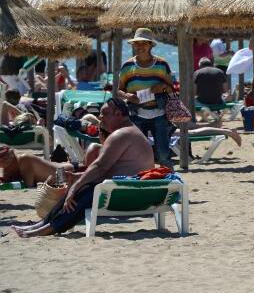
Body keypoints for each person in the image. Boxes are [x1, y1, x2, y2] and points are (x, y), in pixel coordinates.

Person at [12, 97, 155, 237]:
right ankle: (42, 224)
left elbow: (100, 167)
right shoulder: (131, 131)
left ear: (118, 114)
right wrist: (78, 178)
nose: (100, 117)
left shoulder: (121, 134)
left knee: (82, 191)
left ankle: (48, 228)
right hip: (135, 191)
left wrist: (75, 187)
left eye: (104, 113)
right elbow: (116, 171)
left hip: (128, 194)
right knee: (81, 188)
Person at [117, 28, 175, 168]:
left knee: (163, 154)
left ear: (150, 45)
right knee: (138, 153)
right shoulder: (127, 66)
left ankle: (170, 184)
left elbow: (171, 89)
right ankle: (142, 183)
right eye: (137, 43)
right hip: (136, 115)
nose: (140, 46)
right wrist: (128, 96)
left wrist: (161, 86)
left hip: (160, 114)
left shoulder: (162, 65)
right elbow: (119, 90)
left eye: (144, 43)